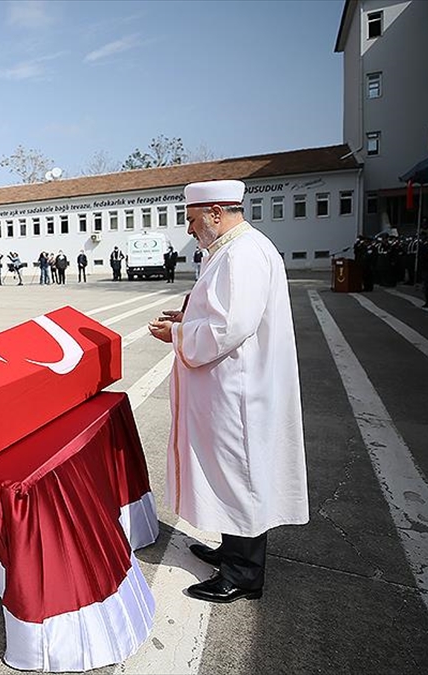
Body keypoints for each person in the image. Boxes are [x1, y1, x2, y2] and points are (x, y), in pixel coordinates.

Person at [148, 179, 308, 604]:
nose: (189, 229)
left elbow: (228, 328)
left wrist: (177, 334)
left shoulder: (243, 254)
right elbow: (222, 310)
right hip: (231, 387)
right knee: (229, 472)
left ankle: (244, 575)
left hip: (241, 391)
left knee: (241, 476)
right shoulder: (229, 250)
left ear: (216, 213)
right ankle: (231, 550)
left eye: (192, 219)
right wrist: (186, 317)